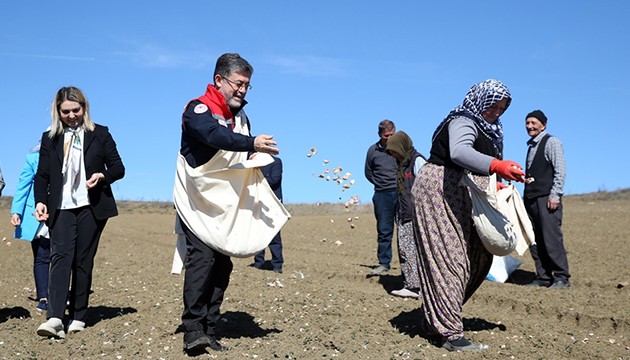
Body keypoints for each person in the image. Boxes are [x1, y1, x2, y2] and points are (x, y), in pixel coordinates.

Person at [174, 53, 281, 353]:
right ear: (219, 80)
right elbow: (213, 135)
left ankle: (210, 327)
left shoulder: (242, 118)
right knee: (202, 261)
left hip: (228, 206)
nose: (243, 90)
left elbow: (242, 153)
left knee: (222, 265)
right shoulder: (197, 109)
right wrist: (252, 144)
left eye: (248, 85)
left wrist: (258, 158)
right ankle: (193, 329)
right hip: (197, 202)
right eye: (238, 84)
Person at [411, 79, 525, 351]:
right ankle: (450, 335)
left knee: (480, 256)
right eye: (493, 106)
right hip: (437, 191)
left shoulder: (491, 128)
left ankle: (438, 317)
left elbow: (474, 165)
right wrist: (496, 165)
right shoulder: (463, 119)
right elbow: (459, 152)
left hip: (462, 193)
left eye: (502, 108)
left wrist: (494, 181)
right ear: (481, 100)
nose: (496, 112)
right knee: (450, 259)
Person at [34, 86, 125, 338]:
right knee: (60, 258)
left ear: (84, 108)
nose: (72, 115)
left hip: (91, 206)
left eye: (76, 110)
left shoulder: (101, 134)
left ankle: (78, 315)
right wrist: (40, 201)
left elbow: (118, 167)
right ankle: (54, 318)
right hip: (61, 207)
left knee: (83, 261)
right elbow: (41, 176)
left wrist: (102, 176)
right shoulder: (49, 138)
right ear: (58, 111)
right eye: (66, 111)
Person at [523, 110, 570, 289]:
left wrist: (555, 195)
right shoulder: (531, 146)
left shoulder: (552, 142)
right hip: (531, 199)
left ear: (543, 124)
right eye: (527, 123)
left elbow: (560, 170)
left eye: (533, 123)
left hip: (547, 199)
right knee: (535, 240)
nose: (529, 126)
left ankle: (561, 277)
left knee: (551, 238)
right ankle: (543, 277)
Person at [10, 137, 51, 312]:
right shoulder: (33, 159)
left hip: (62, 212)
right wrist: (16, 211)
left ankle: (58, 295)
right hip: (37, 215)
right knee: (42, 256)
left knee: (61, 256)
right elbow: (23, 186)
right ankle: (44, 297)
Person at [385, 131, 426, 298]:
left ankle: (416, 287)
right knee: (405, 250)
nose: (393, 155)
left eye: (394, 151)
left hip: (415, 214)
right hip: (403, 213)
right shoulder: (402, 164)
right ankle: (411, 284)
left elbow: (426, 186)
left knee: (413, 250)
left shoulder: (417, 161)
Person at [364, 120, 398, 276]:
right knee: (384, 230)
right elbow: (368, 172)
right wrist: (380, 183)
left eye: (392, 135)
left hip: (401, 193)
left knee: (406, 231)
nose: (389, 138)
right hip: (382, 194)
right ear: (380, 135)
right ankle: (384, 263)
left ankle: (410, 266)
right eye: (386, 136)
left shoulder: (401, 148)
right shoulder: (373, 151)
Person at [253, 156, 284, 273]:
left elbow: (274, 180)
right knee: (257, 233)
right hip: (256, 202)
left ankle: (277, 264)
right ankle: (258, 262)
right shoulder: (253, 161)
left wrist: (256, 179)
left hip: (272, 203)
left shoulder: (276, 162)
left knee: (274, 234)